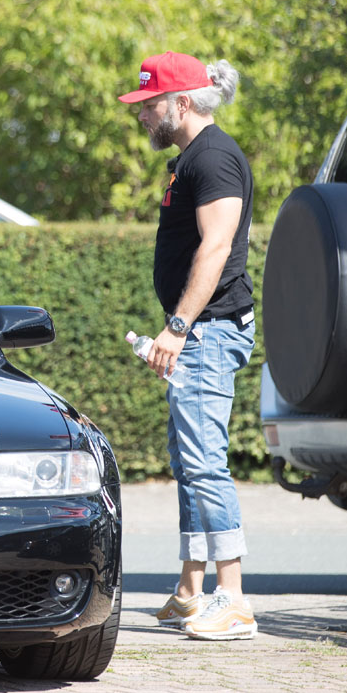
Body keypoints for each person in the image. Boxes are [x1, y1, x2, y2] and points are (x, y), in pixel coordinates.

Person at [118, 51, 257, 640]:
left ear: (180, 102)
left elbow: (216, 246)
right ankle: (190, 592)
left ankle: (235, 599)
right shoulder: (191, 158)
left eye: (148, 105)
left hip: (206, 331)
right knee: (188, 464)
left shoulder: (215, 157)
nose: (142, 116)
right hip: (196, 331)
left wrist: (177, 330)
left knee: (204, 463)